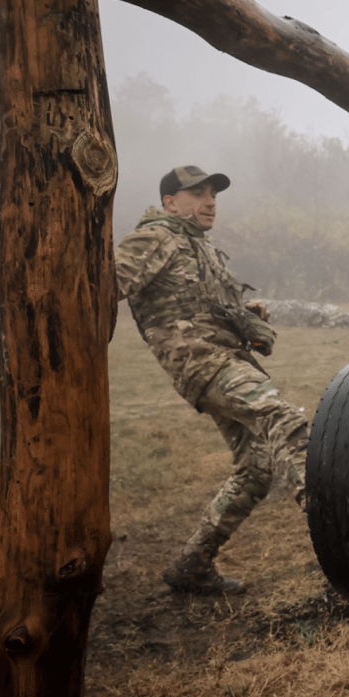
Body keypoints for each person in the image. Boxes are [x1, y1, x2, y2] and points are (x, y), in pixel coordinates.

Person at [115, 165, 310, 596]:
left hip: (221, 356)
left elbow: (207, 304)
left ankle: (192, 564)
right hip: (200, 362)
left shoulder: (196, 244)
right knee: (279, 416)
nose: (210, 202)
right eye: (198, 193)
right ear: (170, 201)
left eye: (214, 195)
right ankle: (333, 515)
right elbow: (103, 284)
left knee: (257, 469)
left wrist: (247, 314)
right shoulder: (157, 237)